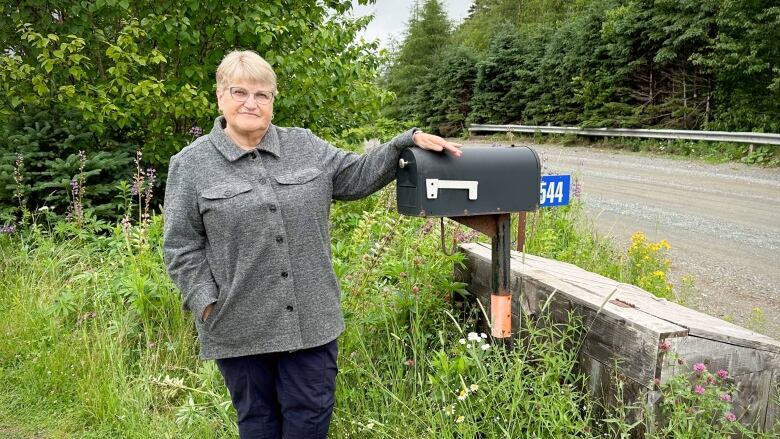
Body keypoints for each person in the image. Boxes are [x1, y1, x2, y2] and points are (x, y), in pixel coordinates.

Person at [162, 50, 461, 439]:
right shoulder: (191, 164)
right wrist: (205, 302)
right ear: (220, 96)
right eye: (239, 92)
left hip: (312, 321)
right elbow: (180, 246)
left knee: (309, 421)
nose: (250, 103)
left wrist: (405, 143)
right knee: (258, 424)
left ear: (273, 101)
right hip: (237, 325)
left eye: (262, 94)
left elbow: (356, 176)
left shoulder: (305, 146)